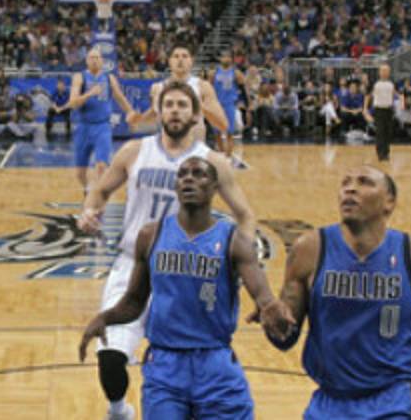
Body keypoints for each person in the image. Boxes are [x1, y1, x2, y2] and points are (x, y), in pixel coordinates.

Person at [77, 81, 258, 420]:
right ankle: (119, 410)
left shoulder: (212, 161)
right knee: (110, 355)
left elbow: (245, 215)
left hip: (186, 269)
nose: (175, 110)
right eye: (169, 104)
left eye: (182, 105)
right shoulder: (134, 151)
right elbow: (99, 191)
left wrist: (239, 264)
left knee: (192, 357)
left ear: (195, 115)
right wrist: (90, 210)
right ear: (158, 112)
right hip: (133, 261)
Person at [78, 156, 293, 420]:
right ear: (176, 187)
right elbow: (134, 300)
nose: (189, 178)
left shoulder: (234, 240)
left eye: (199, 174)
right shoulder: (151, 235)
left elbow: (263, 295)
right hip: (165, 365)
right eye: (183, 174)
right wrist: (105, 318)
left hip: (215, 362)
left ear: (214, 187)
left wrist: (271, 307)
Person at [260, 166, 411, 419]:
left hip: (396, 399)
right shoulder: (309, 250)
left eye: (365, 182)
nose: (351, 189)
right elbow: (285, 339)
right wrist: (273, 321)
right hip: (330, 400)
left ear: (389, 202)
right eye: (345, 183)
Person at [64, 47, 139, 194]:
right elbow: (73, 103)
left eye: (97, 58)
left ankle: (97, 194)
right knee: (80, 172)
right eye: (91, 57)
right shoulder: (79, 77)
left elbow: (119, 97)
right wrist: (88, 94)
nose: (94, 60)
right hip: (83, 127)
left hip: (102, 126)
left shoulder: (109, 78)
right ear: (86, 61)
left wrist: (131, 112)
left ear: (102, 61)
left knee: (102, 166)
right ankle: (87, 188)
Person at [139, 45, 229, 145]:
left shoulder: (203, 86)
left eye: (185, 56)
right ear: (169, 61)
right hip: (167, 150)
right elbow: (153, 115)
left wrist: (200, 107)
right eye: (176, 56)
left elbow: (223, 124)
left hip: (195, 150)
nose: (180, 59)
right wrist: (138, 120)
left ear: (191, 61)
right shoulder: (157, 88)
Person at [211, 52, 245, 164]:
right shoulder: (214, 72)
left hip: (229, 104)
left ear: (231, 59)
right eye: (224, 56)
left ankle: (228, 156)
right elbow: (209, 88)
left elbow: (243, 88)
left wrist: (243, 102)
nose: (226, 59)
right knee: (217, 133)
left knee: (229, 133)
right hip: (217, 105)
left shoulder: (236, 73)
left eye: (228, 57)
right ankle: (221, 154)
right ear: (220, 59)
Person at [365, 65, 399, 161]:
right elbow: (368, 96)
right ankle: (380, 153)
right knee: (380, 132)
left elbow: (396, 94)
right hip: (379, 110)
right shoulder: (374, 83)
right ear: (379, 72)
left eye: (386, 71)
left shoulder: (392, 83)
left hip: (389, 109)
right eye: (383, 70)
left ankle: (386, 152)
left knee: (388, 132)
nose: (385, 72)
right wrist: (365, 109)